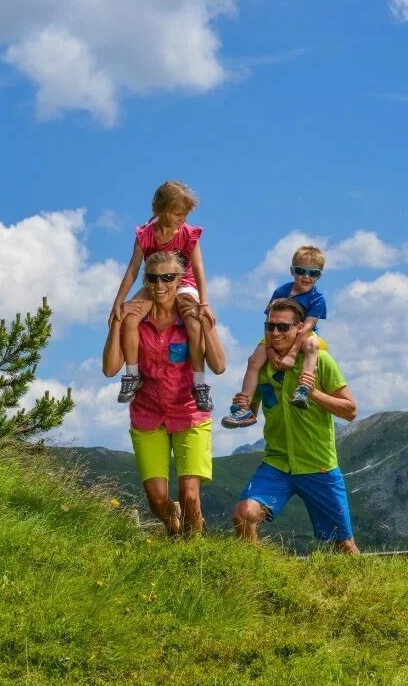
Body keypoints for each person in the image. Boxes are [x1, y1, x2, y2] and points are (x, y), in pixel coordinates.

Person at [103, 250, 226, 536]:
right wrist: (117, 323)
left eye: (168, 278)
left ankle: (195, 555)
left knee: (190, 496)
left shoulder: (190, 321)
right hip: (147, 415)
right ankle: (172, 525)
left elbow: (219, 366)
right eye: (153, 278)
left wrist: (206, 323)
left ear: (180, 280)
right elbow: (110, 369)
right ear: (145, 280)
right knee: (158, 500)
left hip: (189, 413)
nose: (160, 285)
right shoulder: (136, 320)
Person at [232, 298, 360, 554]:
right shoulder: (261, 367)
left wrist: (314, 394)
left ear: (300, 328)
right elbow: (251, 414)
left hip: (318, 464)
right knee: (244, 515)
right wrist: (242, 405)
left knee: (343, 544)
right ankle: (256, 579)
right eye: (270, 327)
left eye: (283, 327)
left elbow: (350, 411)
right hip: (277, 463)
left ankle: (370, 592)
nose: (275, 333)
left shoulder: (321, 361)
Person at [109, 181, 215, 412]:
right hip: (155, 283)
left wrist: (203, 302)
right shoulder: (146, 234)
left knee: (193, 323)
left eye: (186, 214)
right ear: (161, 210)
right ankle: (132, 375)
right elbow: (133, 269)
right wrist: (118, 302)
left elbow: (198, 270)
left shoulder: (188, 234)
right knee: (130, 318)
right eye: (178, 214)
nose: (182, 218)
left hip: (184, 282)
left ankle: (199, 384)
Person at [222, 245, 327, 428]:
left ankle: (302, 389)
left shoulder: (318, 298)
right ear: (292, 271)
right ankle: (244, 405)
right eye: (301, 271)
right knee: (254, 360)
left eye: (314, 273)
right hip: (277, 332)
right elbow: (269, 322)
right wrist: (269, 349)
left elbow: (306, 328)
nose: (306, 277)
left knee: (311, 346)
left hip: (304, 334)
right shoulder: (281, 291)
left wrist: (292, 354)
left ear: (320, 275)